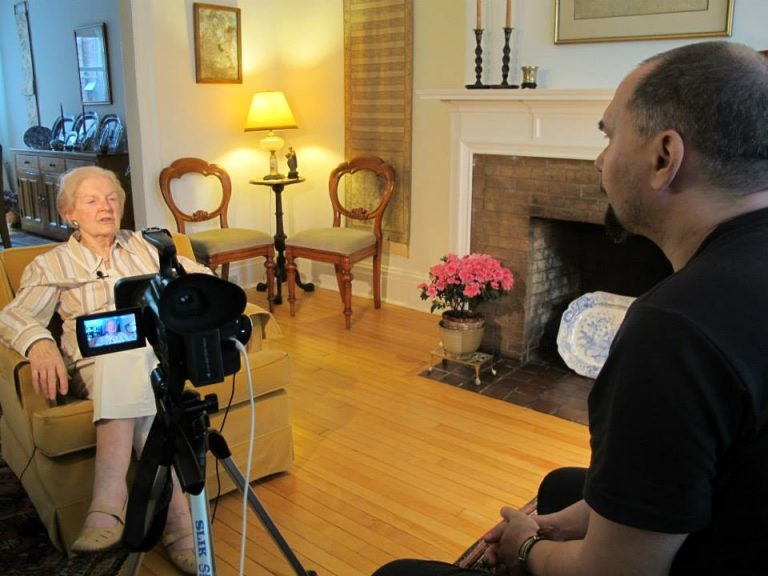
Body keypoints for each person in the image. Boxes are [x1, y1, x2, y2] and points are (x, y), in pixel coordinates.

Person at [374, 41, 768, 576]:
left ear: (663, 157)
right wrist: (564, 526)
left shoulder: (674, 329)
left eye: (608, 136)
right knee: (563, 486)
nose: (600, 160)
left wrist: (526, 548)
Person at [0, 166, 209, 574]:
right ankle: (178, 521)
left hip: (154, 357)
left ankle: (109, 505)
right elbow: (13, 315)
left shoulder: (146, 246)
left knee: (136, 357)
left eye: (112, 199)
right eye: (92, 200)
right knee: (123, 354)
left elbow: (198, 277)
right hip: (92, 364)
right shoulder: (51, 264)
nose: (106, 207)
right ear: (70, 214)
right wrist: (40, 342)